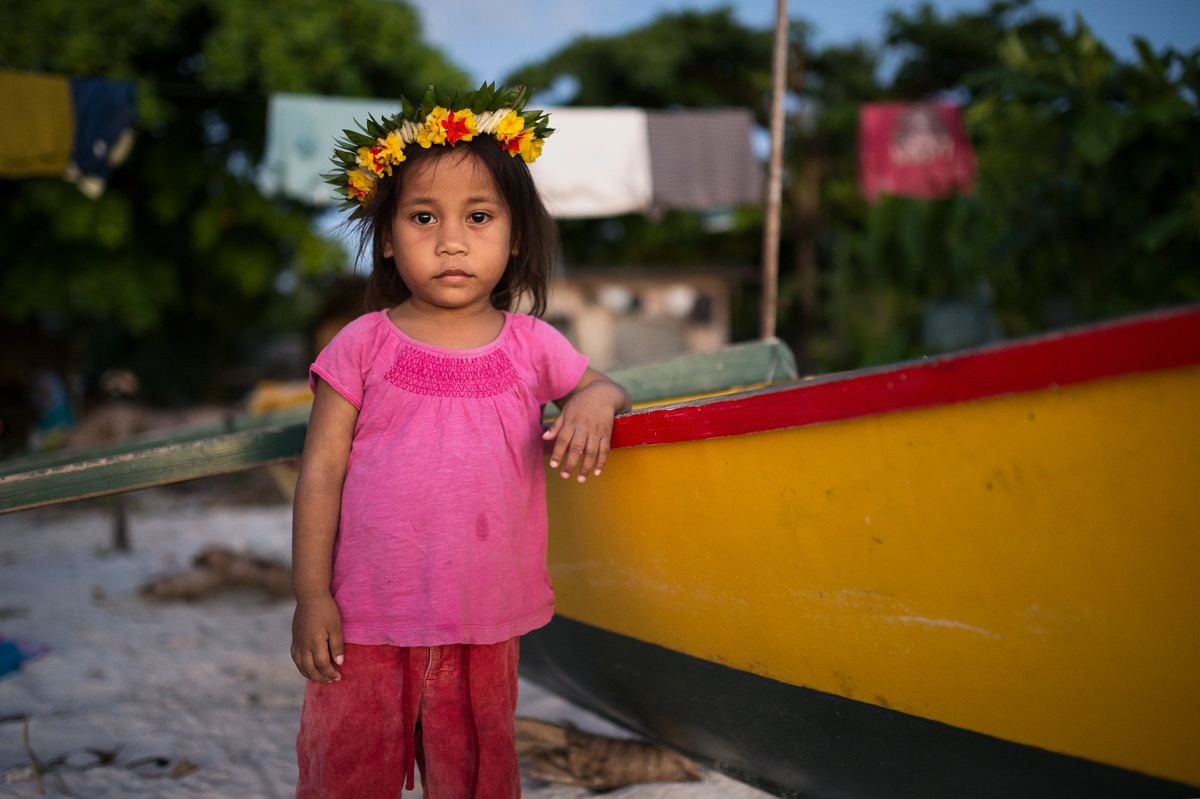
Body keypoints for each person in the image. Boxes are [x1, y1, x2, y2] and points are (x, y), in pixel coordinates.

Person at [290, 85, 631, 799]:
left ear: (513, 236)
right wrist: (311, 595)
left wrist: (596, 400)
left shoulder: (534, 346)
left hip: (485, 613)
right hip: (367, 613)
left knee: (477, 762)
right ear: (386, 236)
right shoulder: (361, 345)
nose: (451, 239)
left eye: (479, 216)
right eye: (423, 217)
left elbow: (600, 385)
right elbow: (320, 471)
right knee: (350, 762)